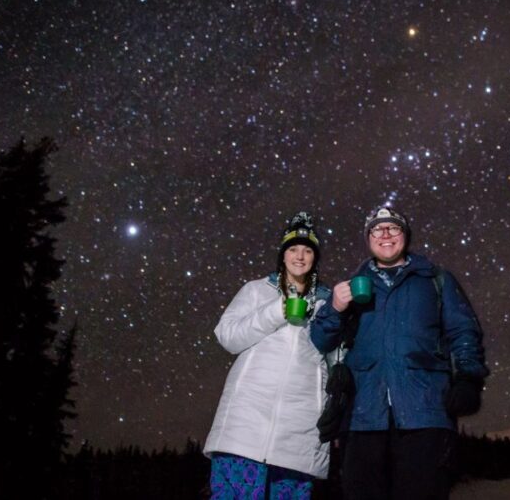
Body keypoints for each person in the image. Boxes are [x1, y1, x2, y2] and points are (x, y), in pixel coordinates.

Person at [311, 206, 489, 500]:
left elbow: (463, 332)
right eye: (377, 229)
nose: (385, 234)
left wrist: (468, 377)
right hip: (363, 417)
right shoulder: (351, 288)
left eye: (393, 228)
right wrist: (334, 308)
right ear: (368, 239)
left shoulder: (436, 280)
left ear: (404, 236)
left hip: (425, 414)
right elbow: (320, 340)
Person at [204, 211, 332, 499]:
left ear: (315, 257)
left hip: (299, 433)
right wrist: (276, 310)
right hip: (245, 426)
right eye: (293, 249)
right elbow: (227, 336)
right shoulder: (256, 290)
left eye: (308, 250)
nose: (300, 256)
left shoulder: (327, 303)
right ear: (283, 254)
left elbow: (334, 360)